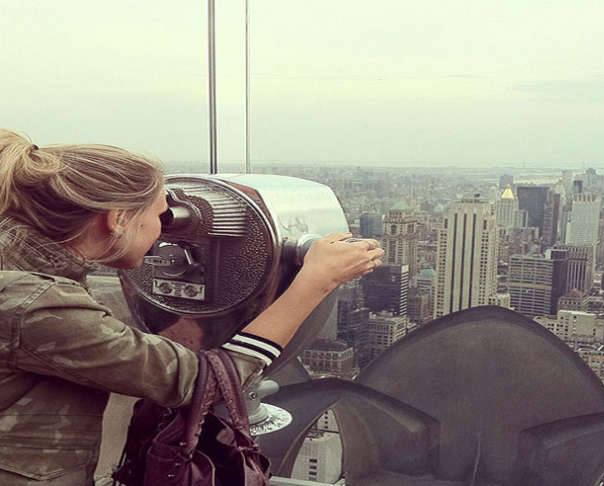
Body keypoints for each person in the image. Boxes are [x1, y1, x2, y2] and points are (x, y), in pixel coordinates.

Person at [0, 128, 385, 485]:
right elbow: (204, 384)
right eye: (160, 216)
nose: (164, 230)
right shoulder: (35, 303)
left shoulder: (25, 274)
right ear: (116, 219)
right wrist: (315, 282)